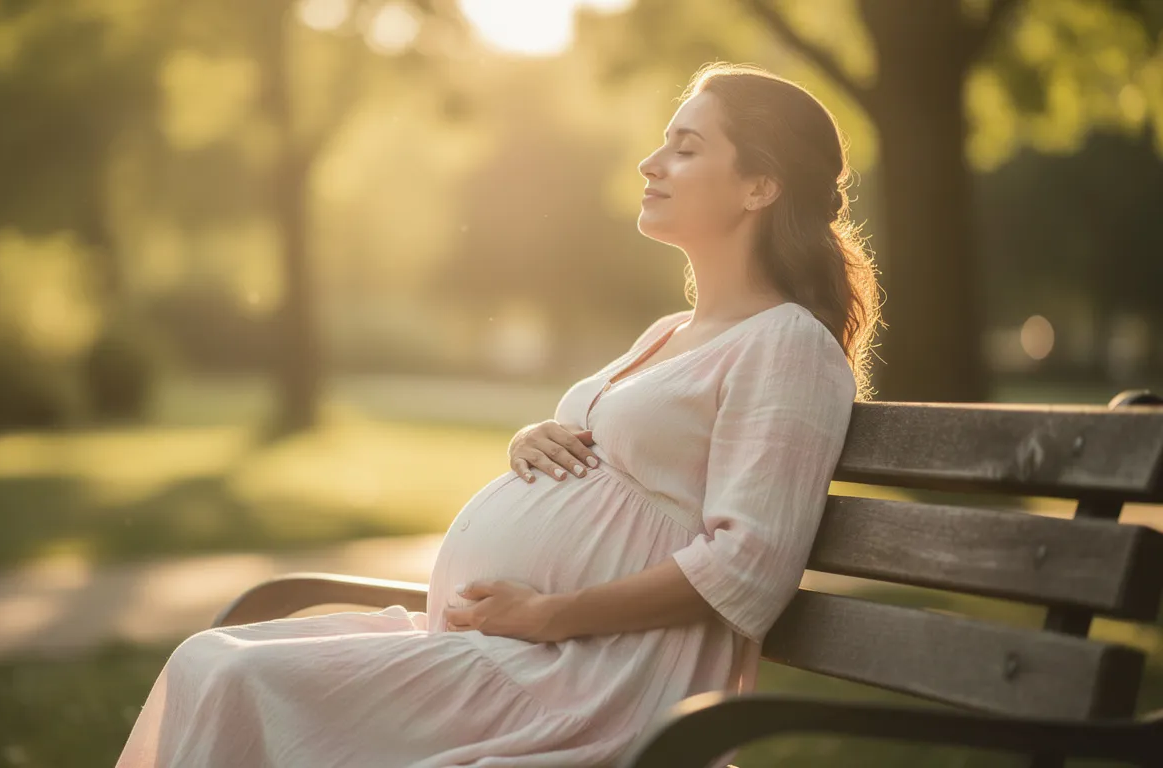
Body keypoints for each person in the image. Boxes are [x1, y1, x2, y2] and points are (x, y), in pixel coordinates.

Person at [115, 61, 881, 768]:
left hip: (587, 680)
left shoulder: (788, 345)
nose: (651, 165)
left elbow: (748, 564)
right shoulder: (670, 334)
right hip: (506, 648)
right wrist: (536, 438)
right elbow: (626, 450)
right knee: (207, 659)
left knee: (236, 679)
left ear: (759, 187)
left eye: (685, 148)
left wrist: (553, 614)